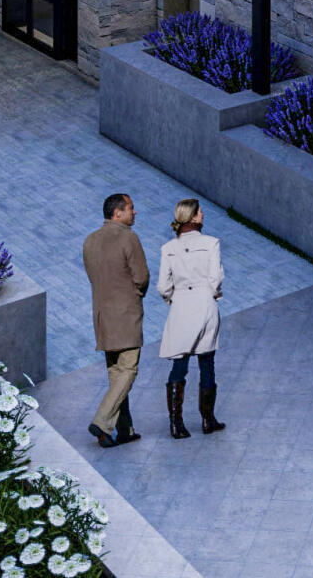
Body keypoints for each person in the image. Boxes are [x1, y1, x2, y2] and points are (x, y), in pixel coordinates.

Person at [81, 192, 148, 449]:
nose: (135, 212)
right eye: (131, 208)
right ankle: (101, 422)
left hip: (102, 316)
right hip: (126, 314)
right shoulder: (128, 237)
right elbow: (141, 277)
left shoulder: (90, 240)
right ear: (117, 213)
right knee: (128, 370)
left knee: (116, 373)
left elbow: (93, 277)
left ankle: (124, 430)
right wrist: (135, 294)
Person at [155, 197, 225, 438]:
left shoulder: (168, 248)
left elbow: (163, 286)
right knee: (207, 361)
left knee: (180, 363)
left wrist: (175, 299)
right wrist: (209, 294)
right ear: (193, 217)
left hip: (181, 305)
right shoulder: (211, 243)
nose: (203, 215)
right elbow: (216, 278)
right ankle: (207, 420)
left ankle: (176, 424)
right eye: (200, 212)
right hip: (205, 303)